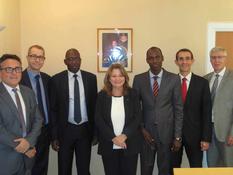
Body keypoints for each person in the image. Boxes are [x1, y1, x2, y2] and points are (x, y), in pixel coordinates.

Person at [133, 46, 183, 175]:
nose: (154, 61)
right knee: (146, 169)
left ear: (162, 58)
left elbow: (178, 109)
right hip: (146, 135)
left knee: (165, 170)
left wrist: (177, 136)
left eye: (157, 57)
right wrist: (142, 129)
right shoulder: (138, 79)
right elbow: (135, 108)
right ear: (147, 60)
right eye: (151, 58)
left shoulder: (173, 79)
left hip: (167, 134)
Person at [49, 48, 97, 175]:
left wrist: (95, 133)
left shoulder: (91, 79)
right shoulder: (56, 80)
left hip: (85, 131)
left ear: (80, 60)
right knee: (64, 169)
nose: (74, 62)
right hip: (65, 131)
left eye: (76, 58)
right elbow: (53, 110)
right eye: (70, 59)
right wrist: (54, 136)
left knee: (84, 169)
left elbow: (94, 107)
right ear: (65, 62)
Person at [95, 63, 142, 175]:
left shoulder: (133, 94)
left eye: (120, 75)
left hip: (129, 144)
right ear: (108, 78)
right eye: (114, 76)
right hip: (108, 144)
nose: (117, 79)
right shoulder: (102, 95)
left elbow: (137, 117)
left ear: (125, 78)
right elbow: (98, 119)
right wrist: (113, 138)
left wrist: (124, 135)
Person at [0, 54, 42, 175]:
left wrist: (29, 142)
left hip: (27, 160)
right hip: (5, 159)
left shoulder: (28, 92)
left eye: (17, 69)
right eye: (9, 69)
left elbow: (38, 119)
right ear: (0, 72)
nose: (14, 73)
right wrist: (24, 147)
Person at [171, 48, 212, 169]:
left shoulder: (202, 83)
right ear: (176, 61)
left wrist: (206, 138)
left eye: (187, 58)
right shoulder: (169, 82)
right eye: (181, 59)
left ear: (192, 61)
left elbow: (206, 112)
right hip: (173, 135)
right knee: (173, 168)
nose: (184, 62)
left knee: (196, 168)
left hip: (195, 136)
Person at [20, 45, 51, 175]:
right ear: (27, 58)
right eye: (33, 56)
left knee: (42, 167)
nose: (37, 60)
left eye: (40, 57)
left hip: (45, 131)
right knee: (27, 169)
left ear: (44, 59)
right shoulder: (18, 79)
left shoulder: (48, 79)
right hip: (27, 133)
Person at [204, 47, 233, 167]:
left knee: (229, 166)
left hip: (227, 133)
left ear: (225, 59)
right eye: (213, 57)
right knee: (212, 166)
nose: (216, 60)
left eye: (220, 57)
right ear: (210, 60)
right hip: (208, 132)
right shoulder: (205, 79)